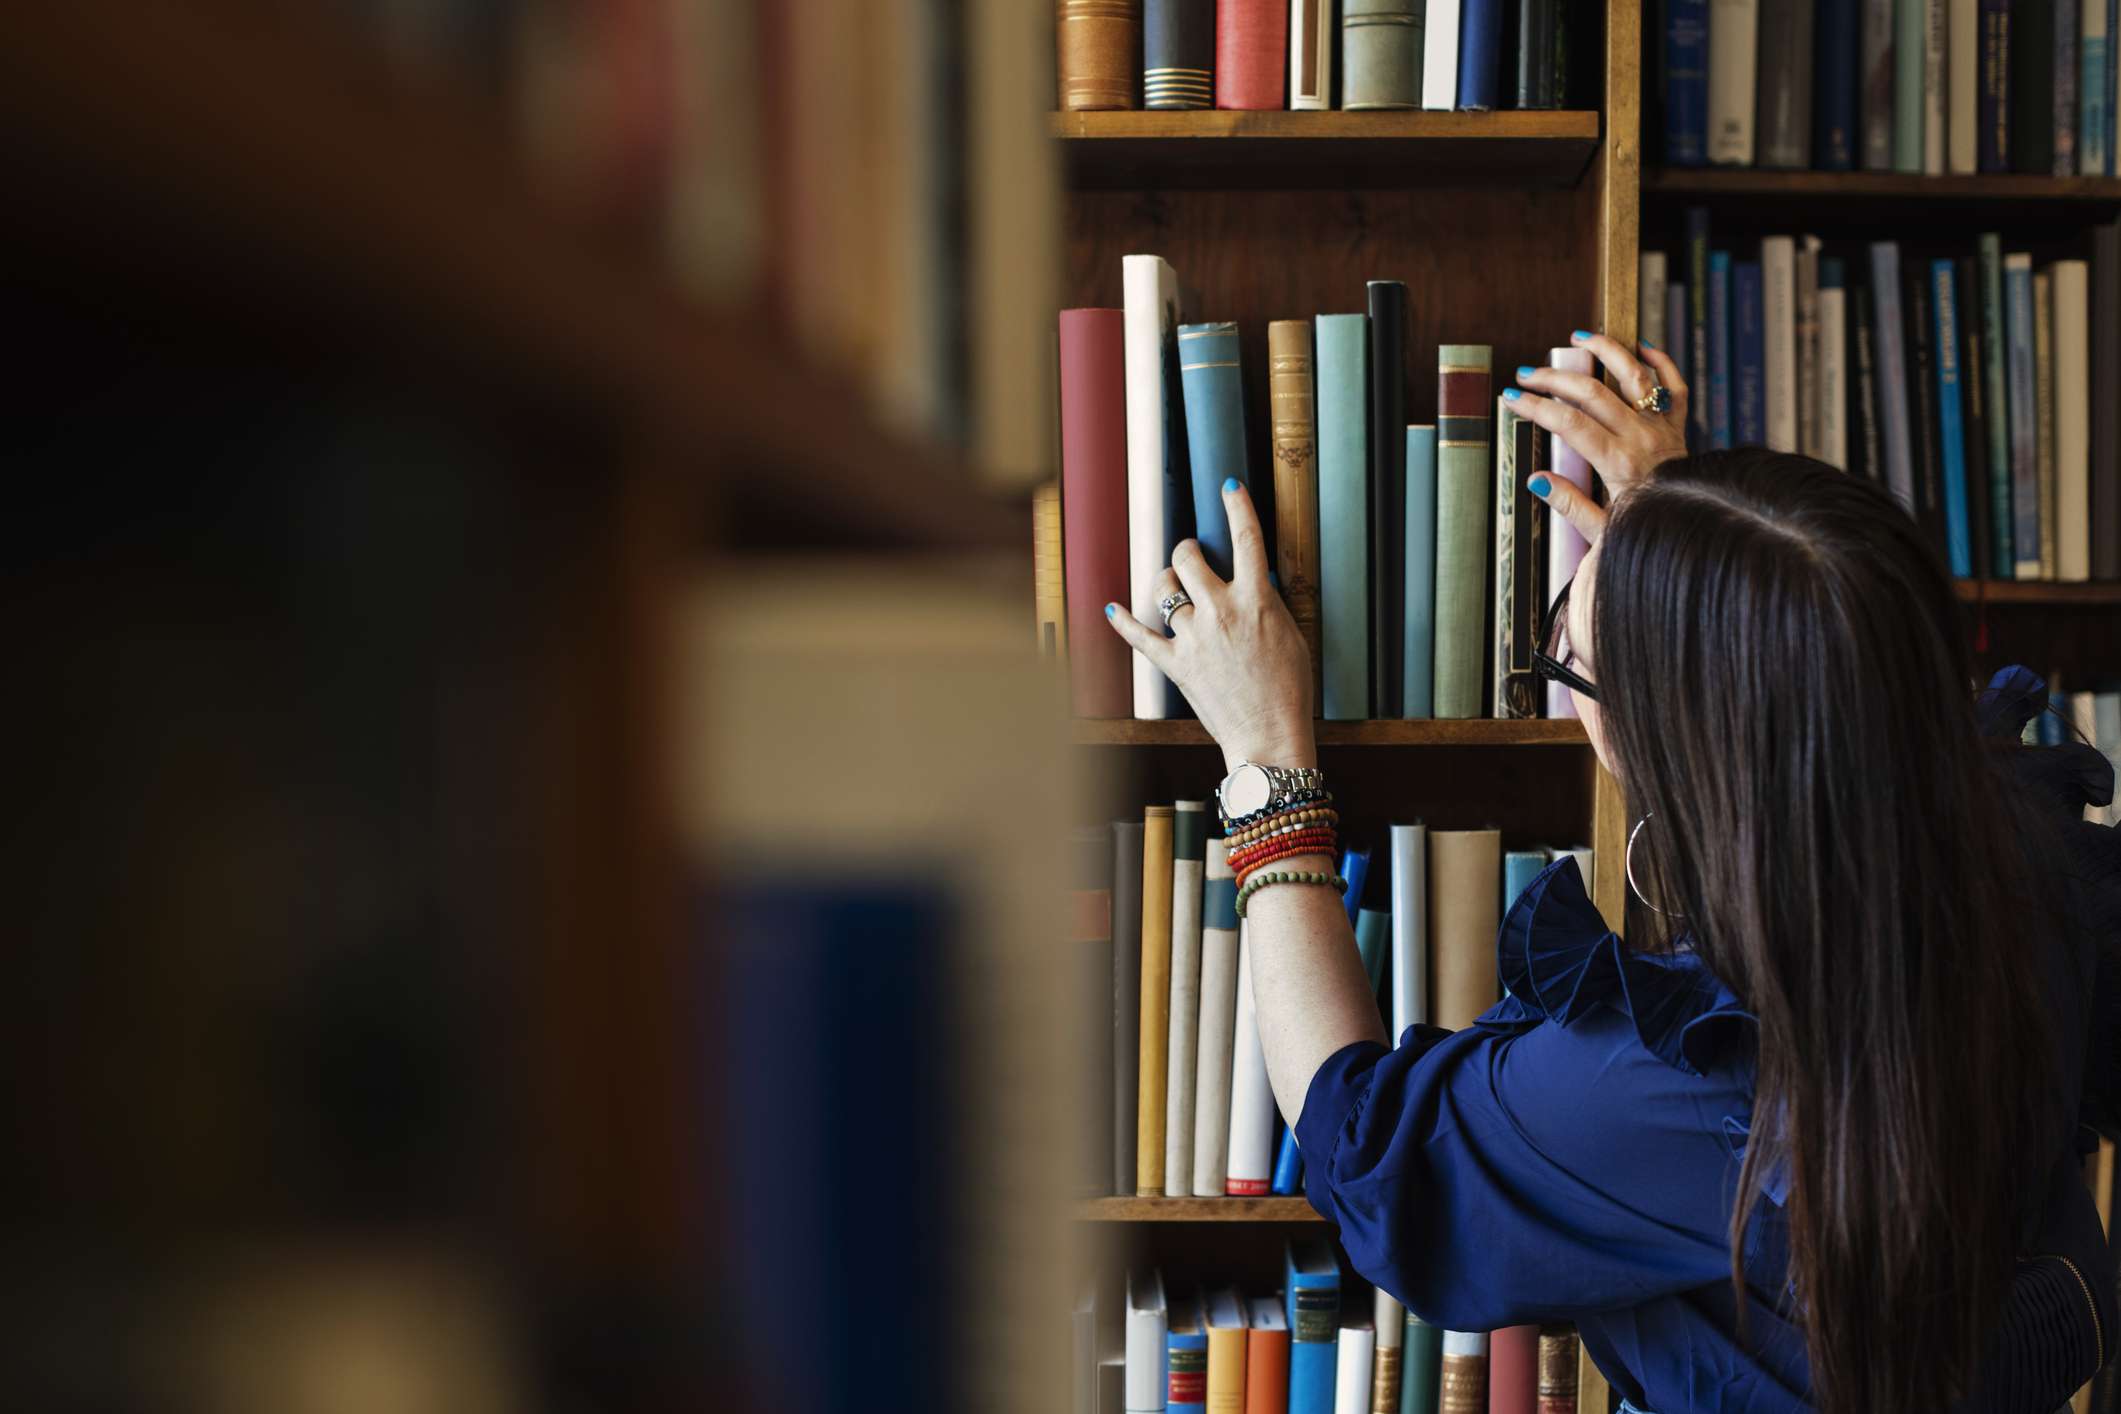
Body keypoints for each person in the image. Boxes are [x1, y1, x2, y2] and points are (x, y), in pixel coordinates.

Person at [1104, 333, 2121, 1414]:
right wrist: (1701, 553)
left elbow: (1369, 1152)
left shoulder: (1661, 1093)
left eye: (1564, 654)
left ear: (1671, 745)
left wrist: (1268, 764)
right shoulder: (2025, 847)